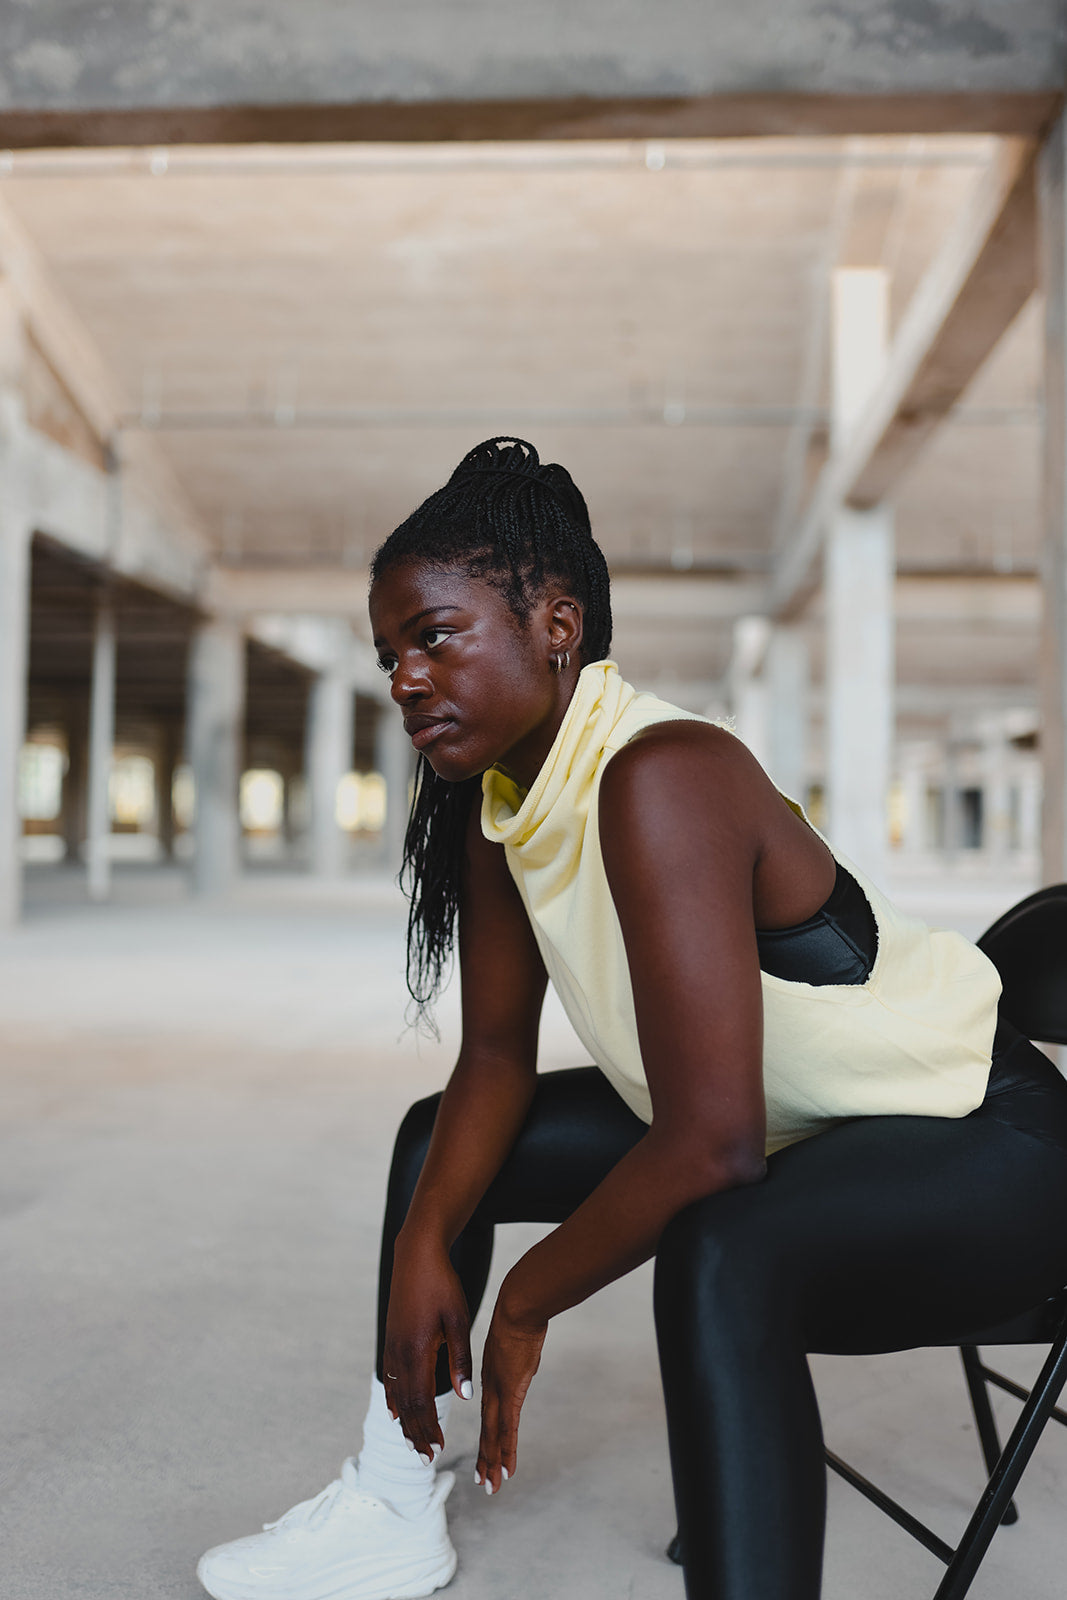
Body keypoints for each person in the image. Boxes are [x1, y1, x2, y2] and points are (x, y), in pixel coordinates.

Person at [197, 438, 1067, 1600]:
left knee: (717, 1247)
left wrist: (525, 1298)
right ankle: (392, 1503)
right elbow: (497, 1059)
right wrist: (422, 1239)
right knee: (438, 1149)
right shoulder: (502, 810)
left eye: (434, 635)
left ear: (555, 625)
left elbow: (709, 1141)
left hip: (983, 1138)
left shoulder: (662, 776)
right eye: (390, 652)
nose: (403, 676)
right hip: (808, 1126)